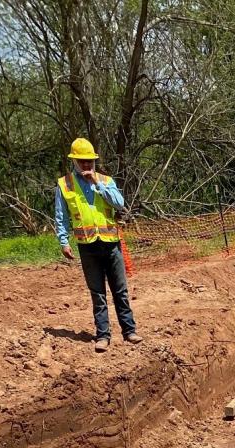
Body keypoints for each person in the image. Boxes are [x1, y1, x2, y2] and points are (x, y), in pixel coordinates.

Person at [55, 137, 141, 353]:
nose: (87, 165)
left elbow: (119, 204)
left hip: (111, 243)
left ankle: (129, 330)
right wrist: (63, 241)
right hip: (87, 246)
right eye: (82, 161)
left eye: (90, 161)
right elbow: (61, 216)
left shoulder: (105, 180)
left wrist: (97, 184)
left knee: (120, 290)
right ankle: (103, 335)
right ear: (74, 161)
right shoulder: (64, 185)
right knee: (98, 292)